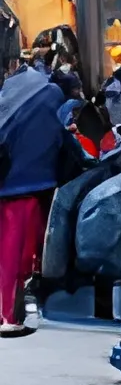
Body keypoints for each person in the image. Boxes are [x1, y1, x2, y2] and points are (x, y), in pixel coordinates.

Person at [0, 22, 70, 336]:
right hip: (25, 186)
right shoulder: (50, 93)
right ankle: (7, 318)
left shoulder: (13, 92)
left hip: (11, 182)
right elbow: (60, 139)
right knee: (15, 252)